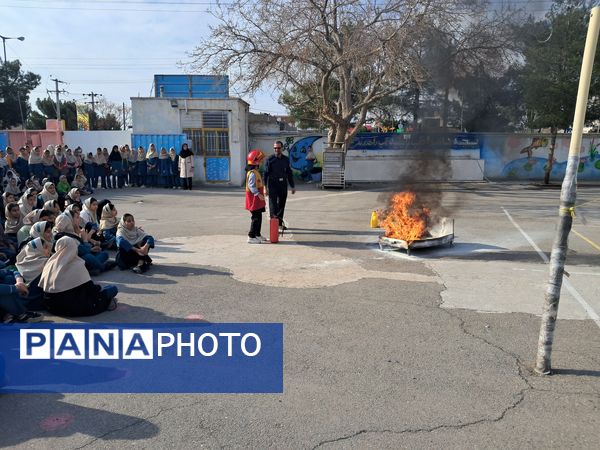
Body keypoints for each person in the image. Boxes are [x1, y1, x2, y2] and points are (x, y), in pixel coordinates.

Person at [39, 236, 118, 317]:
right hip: (73, 308)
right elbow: (92, 290)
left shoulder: (50, 263)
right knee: (112, 289)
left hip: (51, 307)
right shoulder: (77, 265)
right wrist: (100, 290)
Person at [263, 140, 295, 230]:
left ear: (282, 148)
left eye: (278, 148)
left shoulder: (286, 159)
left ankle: (279, 224)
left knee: (281, 205)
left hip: (283, 184)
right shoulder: (270, 159)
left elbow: (289, 173)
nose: (277, 149)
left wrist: (292, 186)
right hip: (272, 184)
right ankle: (274, 225)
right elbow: (265, 174)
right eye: (275, 148)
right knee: (273, 205)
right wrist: (265, 187)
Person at [244, 150, 268, 244]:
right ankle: (251, 236)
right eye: (260, 160)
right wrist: (258, 194)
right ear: (255, 161)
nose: (261, 162)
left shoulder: (255, 172)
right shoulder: (252, 173)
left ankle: (257, 234)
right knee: (255, 218)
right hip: (254, 199)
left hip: (258, 199)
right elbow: (251, 186)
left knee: (259, 216)